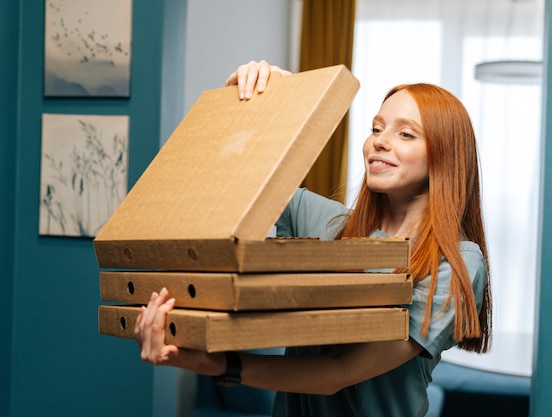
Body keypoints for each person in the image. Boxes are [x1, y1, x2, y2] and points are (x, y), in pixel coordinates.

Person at [135, 60, 492, 417]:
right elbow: (223, 171)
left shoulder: (457, 261)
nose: (379, 142)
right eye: (376, 128)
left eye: (406, 134)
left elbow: (337, 372)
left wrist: (218, 365)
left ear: (446, 155)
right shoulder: (327, 223)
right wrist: (255, 100)